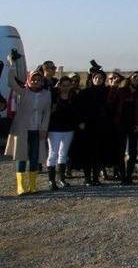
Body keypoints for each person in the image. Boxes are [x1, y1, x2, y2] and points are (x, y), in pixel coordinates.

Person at [5, 53, 51, 195]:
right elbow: (11, 82)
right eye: (34, 79)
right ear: (29, 80)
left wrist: (44, 128)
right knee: (21, 156)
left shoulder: (46, 94)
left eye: (39, 79)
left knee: (34, 157)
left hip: (37, 130)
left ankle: (32, 184)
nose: (36, 81)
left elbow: (47, 112)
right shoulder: (23, 92)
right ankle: (21, 186)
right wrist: (12, 64)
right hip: (22, 129)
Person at [77, 70, 112, 186]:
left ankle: (96, 178)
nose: (98, 79)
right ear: (92, 79)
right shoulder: (85, 93)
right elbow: (80, 108)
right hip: (87, 126)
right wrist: (81, 121)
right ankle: (88, 178)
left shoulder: (107, 92)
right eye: (96, 77)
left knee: (98, 153)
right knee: (87, 153)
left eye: (101, 78)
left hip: (101, 126)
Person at [46, 76, 79, 190]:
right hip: (54, 129)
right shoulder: (53, 96)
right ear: (59, 85)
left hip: (68, 129)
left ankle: (61, 178)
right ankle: (51, 180)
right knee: (53, 153)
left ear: (71, 85)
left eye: (68, 85)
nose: (65, 88)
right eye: (63, 85)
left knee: (63, 153)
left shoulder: (73, 96)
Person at [112, 71, 138, 184]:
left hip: (134, 126)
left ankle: (129, 175)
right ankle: (122, 176)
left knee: (132, 151)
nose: (136, 79)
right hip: (121, 125)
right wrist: (114, 86)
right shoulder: (121, 91)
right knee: (120, 151)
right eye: (134, 76)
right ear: (130, 78)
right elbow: (111, 102)